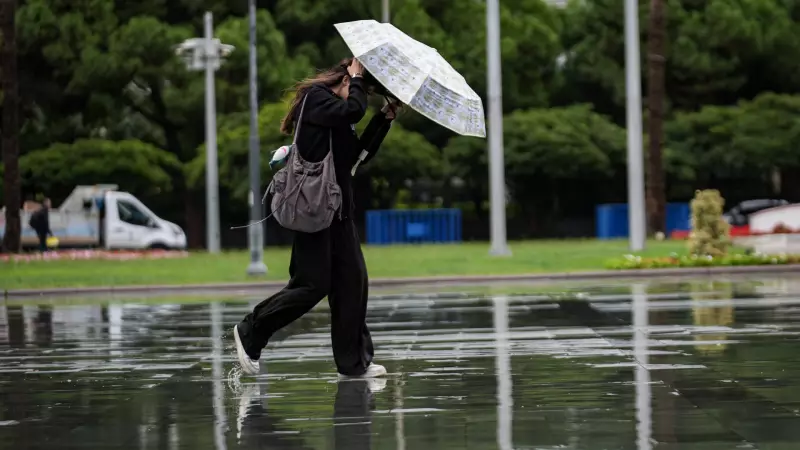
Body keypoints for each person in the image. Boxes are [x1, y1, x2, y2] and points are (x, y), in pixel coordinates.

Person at [233, 57, 400, 379]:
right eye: (356, 87)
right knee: (312, 284)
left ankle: (354, 364)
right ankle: (251, 330)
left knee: (353, 283)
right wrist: (358, 79)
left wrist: (384, 118)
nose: (360, 93)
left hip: (338, 212)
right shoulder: (317, 100)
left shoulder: (338, 116)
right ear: (345, 79)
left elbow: (357, 156)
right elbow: (352, 109)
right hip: (313, 209)